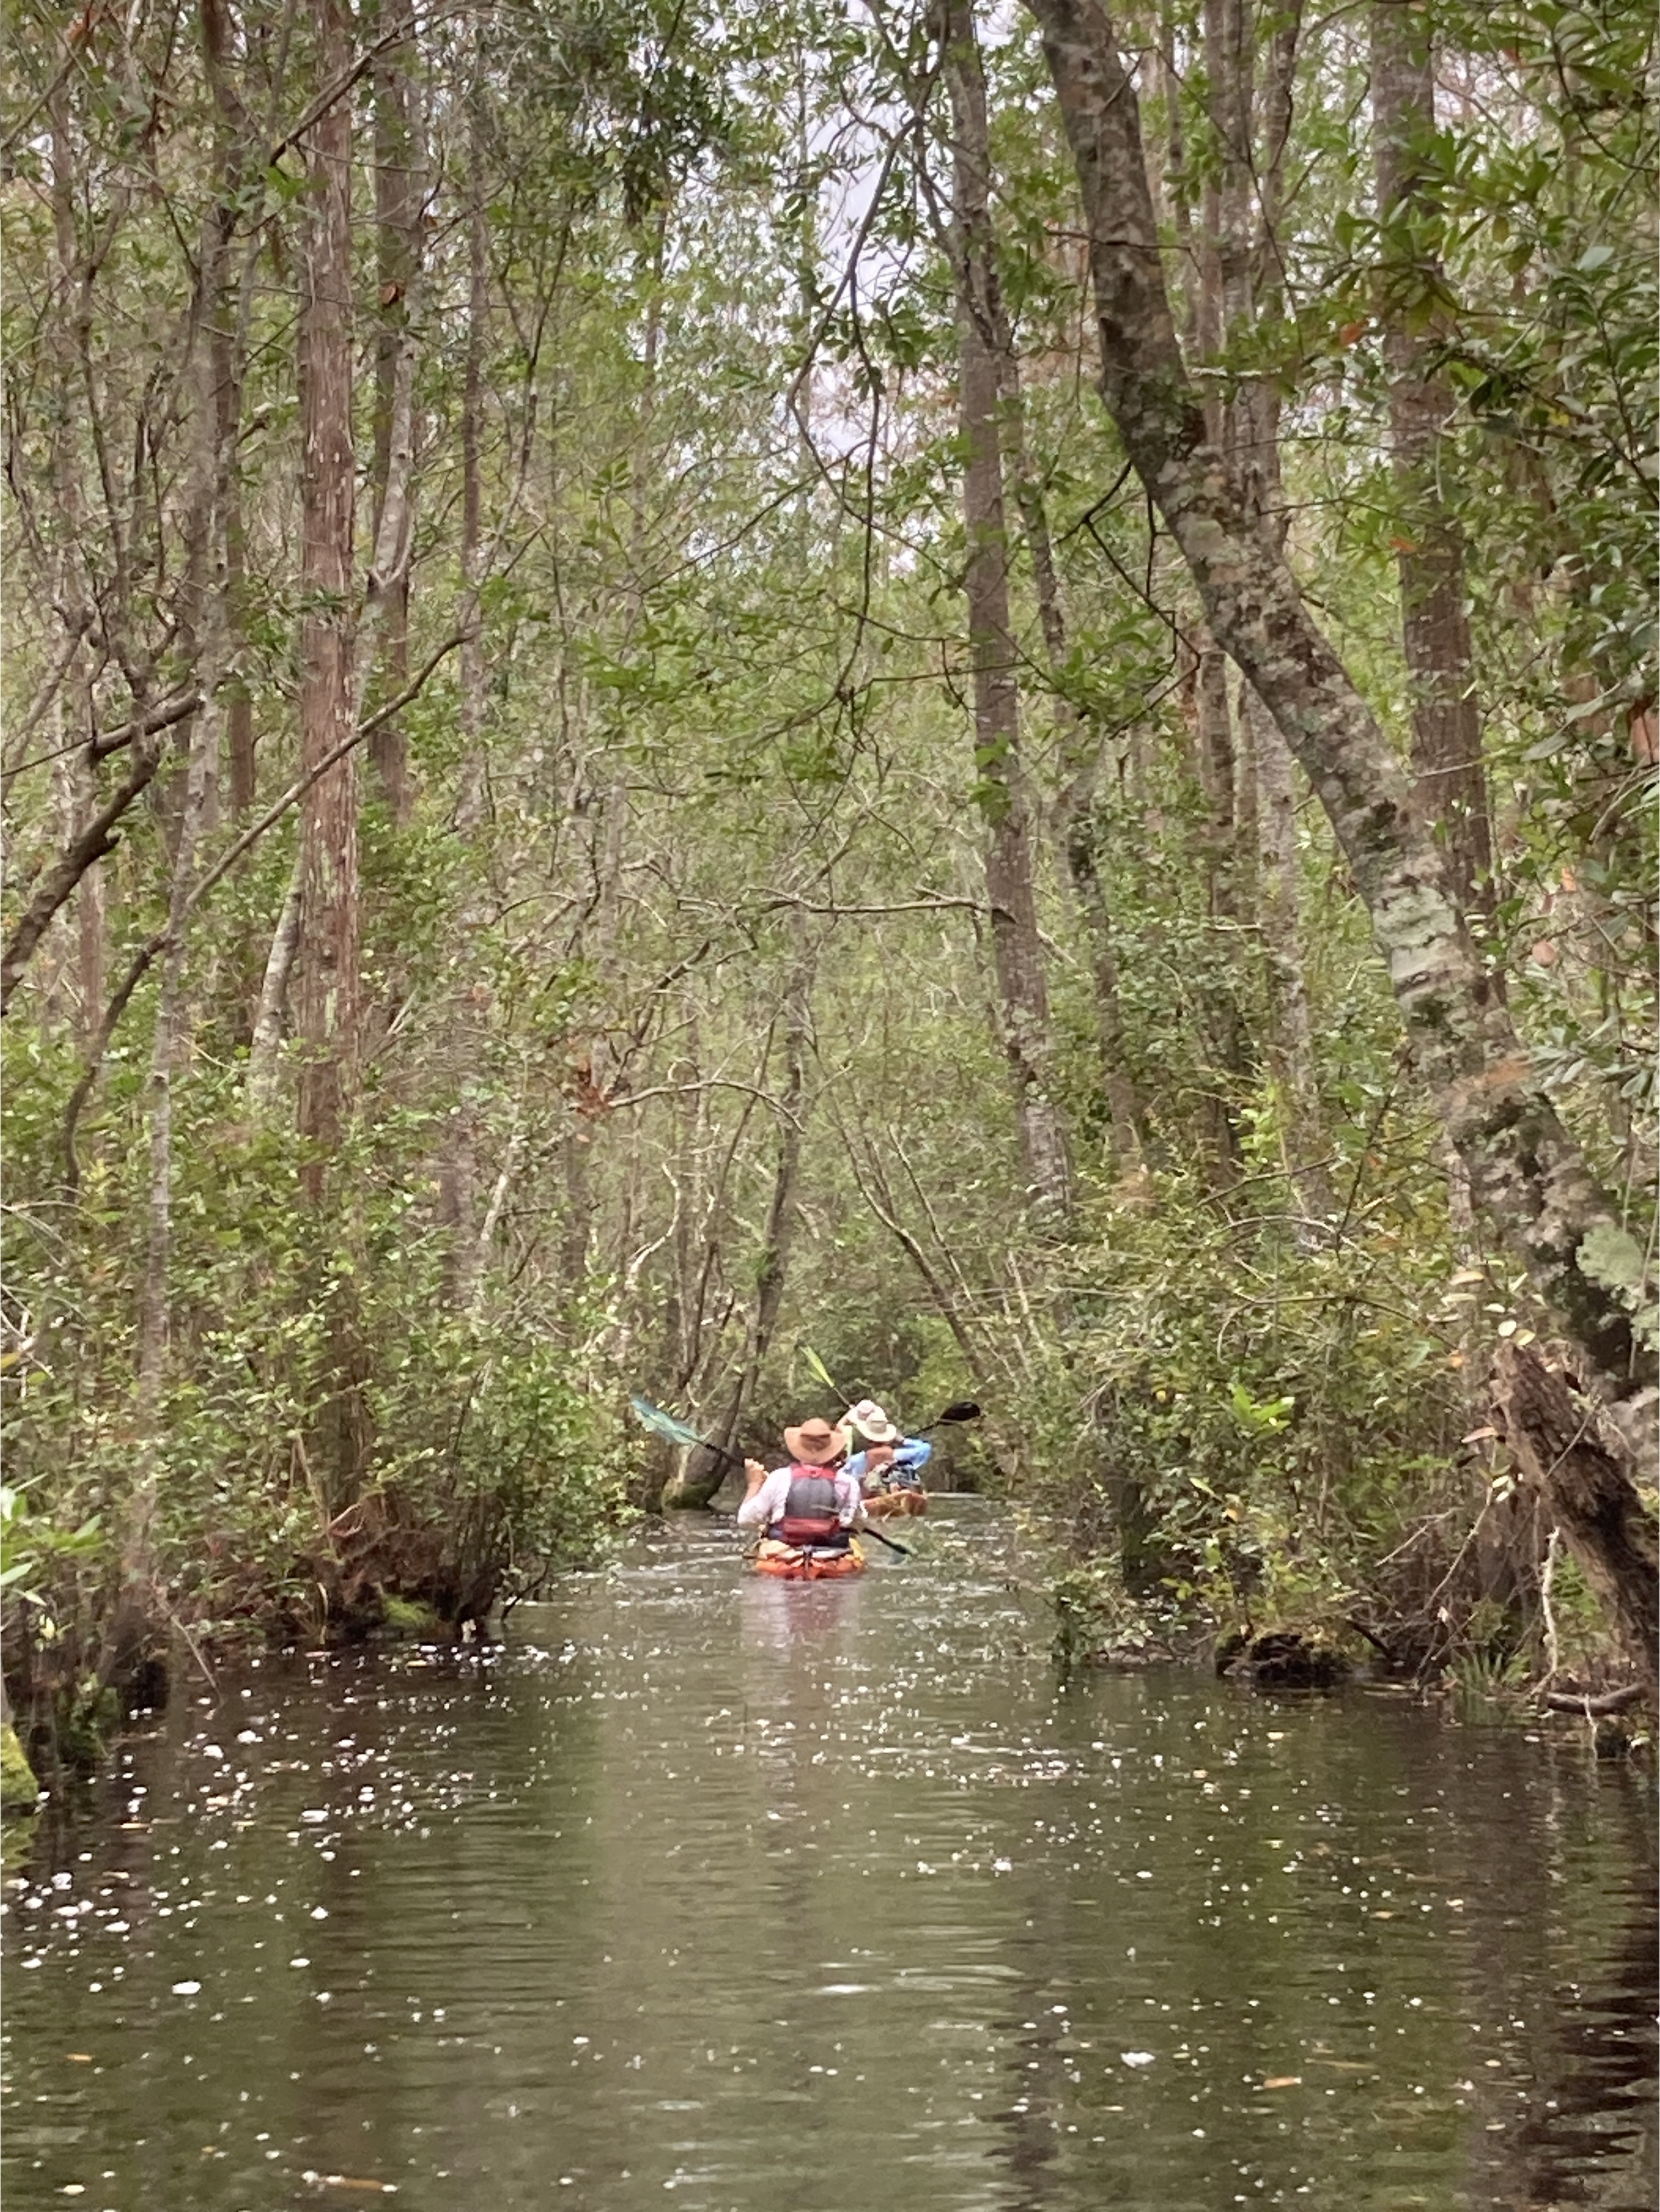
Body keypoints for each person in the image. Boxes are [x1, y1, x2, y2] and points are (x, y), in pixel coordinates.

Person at [738, 1418, 865, 1553]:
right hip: (832, 1553)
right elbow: (858, 1523)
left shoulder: (779, 1478)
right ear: (833, 1448)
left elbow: (746, 1520)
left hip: (786, 1553)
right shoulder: (848, 1482)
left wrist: (754, 1484)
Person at [841, 1398, 933, 1495]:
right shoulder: (900, 1455)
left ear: (867, 1438)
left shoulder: (856, 1461)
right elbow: (926, 1448)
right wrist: (903, 1440)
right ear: (888, 1437)